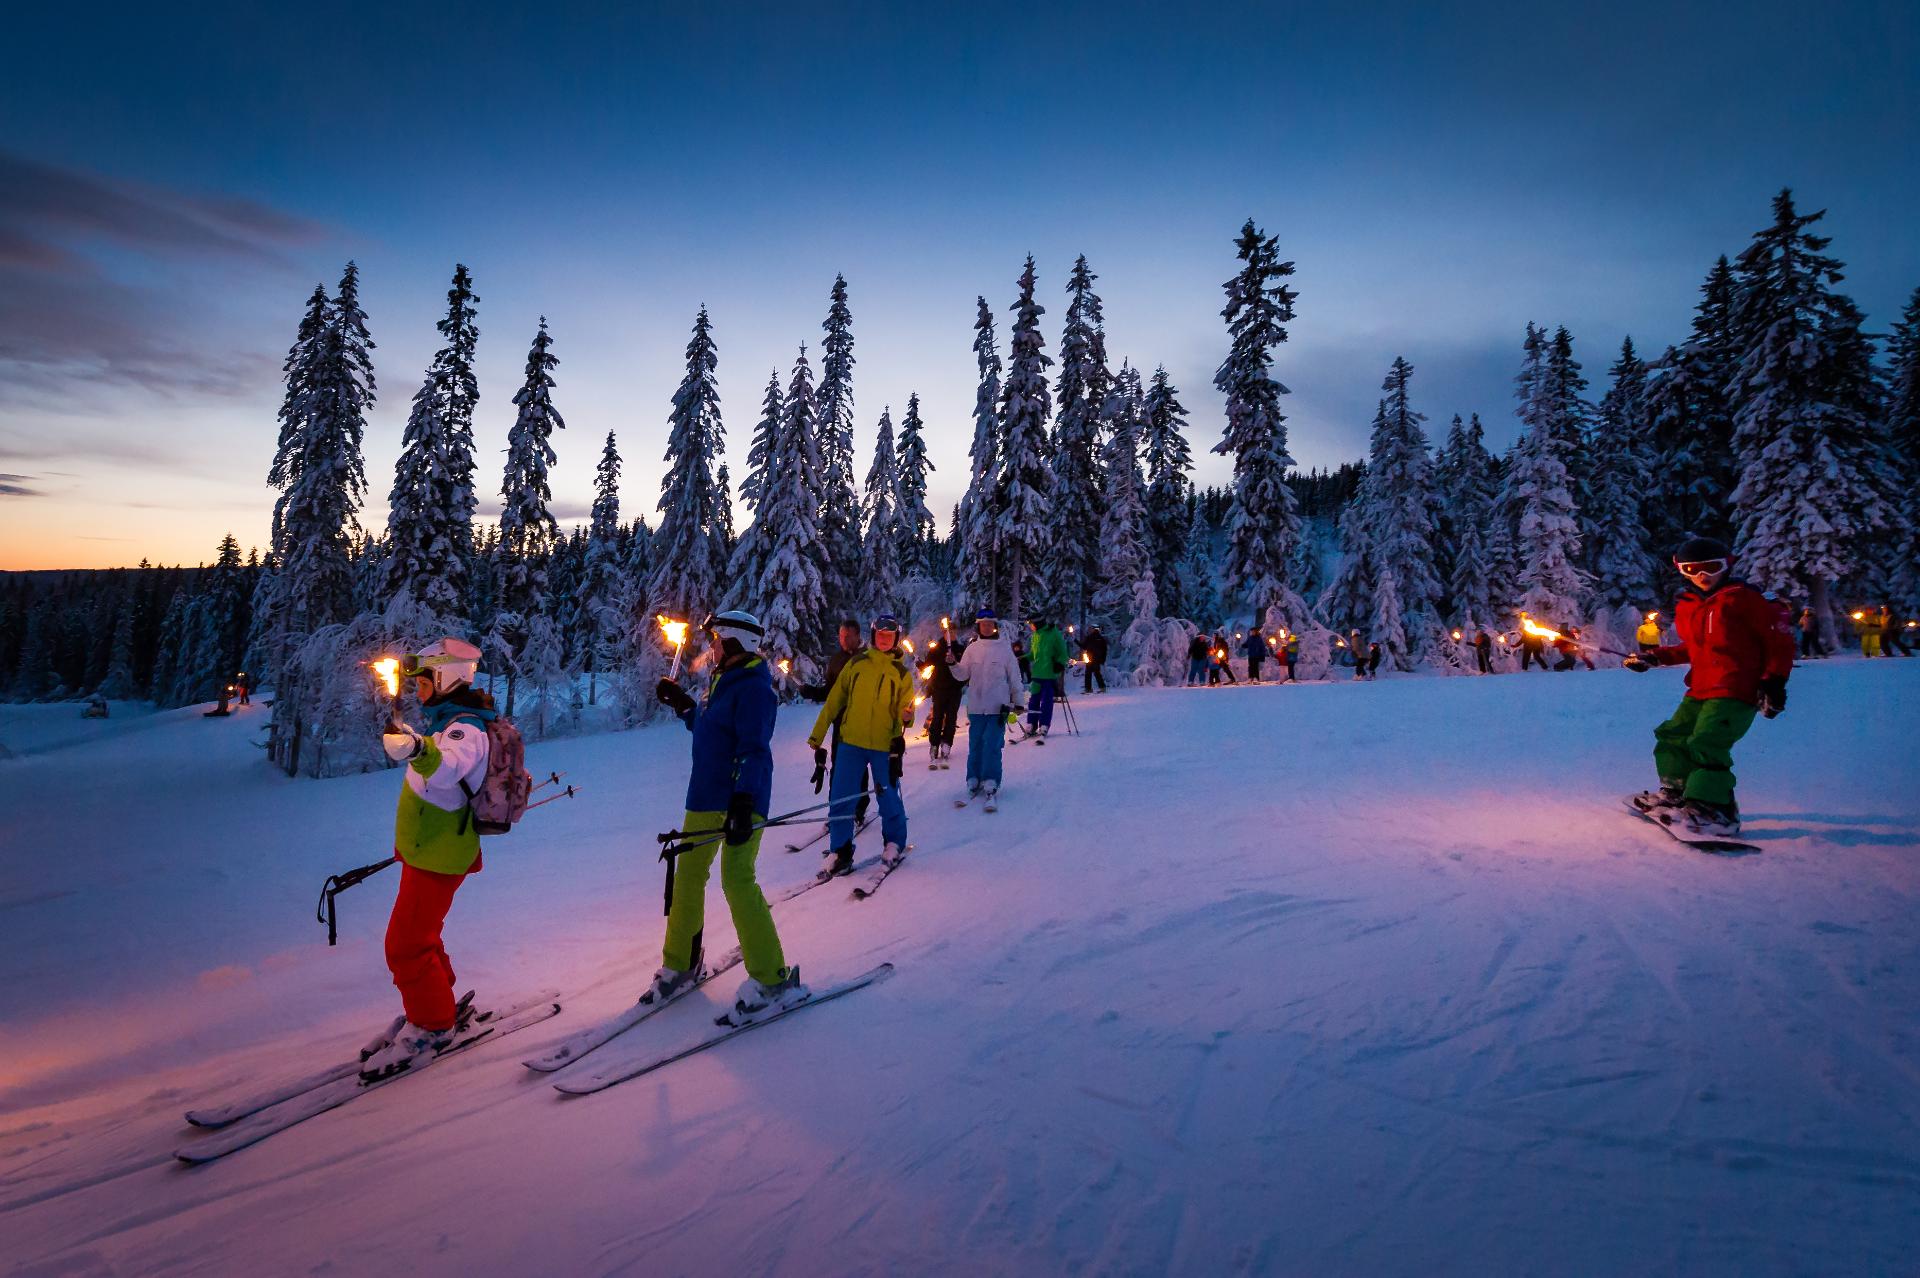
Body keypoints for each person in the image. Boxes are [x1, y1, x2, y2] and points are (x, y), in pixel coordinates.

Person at [650, 612, 805, 1021]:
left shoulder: (754, 688)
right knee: (687, 877)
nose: (712, 647)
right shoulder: (722, 681)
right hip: (704, 796)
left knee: (736, 879)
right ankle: (681, 964)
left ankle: (772, 979)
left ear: (735, 642)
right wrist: (683, 704)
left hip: (740, 799)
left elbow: (754, 748)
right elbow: (710, 732)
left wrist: (743, 801)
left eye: (717, 640)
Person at [362, 637, 495, 1079]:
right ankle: (437, 1003)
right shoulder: (448, 722)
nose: (419, 694)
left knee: (405, 946)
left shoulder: (465, 729)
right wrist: (417, 742)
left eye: (424, 685)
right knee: (423, 937)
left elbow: (448, 769)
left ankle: (433, 1026)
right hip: (427, 852)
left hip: (439, 855)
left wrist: (419, 749)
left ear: (447, 679)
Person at [1625, 536, 1794, 838]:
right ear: (1682, 570)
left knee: (1707, 742)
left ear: (1727, 565)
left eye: (1711, 567)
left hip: (1736, 688)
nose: (1702, 575)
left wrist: (1774, 682)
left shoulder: (1745, 599)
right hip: (1701, 687)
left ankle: (1715, 808)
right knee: (1673, 734)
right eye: (1692, 569)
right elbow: (1694, 647)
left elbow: (1778, 644)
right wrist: (1655, 657)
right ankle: (1677, 792)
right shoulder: (1690, 605)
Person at [808, 614, 913, 877]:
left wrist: (907, 717)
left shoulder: (901, 674)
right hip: (850, 743)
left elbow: (906, 709)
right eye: (880, 635)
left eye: (889, 636)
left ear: (896, 639)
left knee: (888, 796)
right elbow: (834, 700)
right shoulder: (856, 664)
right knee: (841, 797)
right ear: (874, 636)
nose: (884, 640)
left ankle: (893, 843)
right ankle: (840, 851)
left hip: (883, 746)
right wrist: (817, 735)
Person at [949, 608, 1026, 803]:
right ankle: (973, 778)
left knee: (992, 745)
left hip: (997, 707)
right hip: (976, 707)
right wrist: (952, 665)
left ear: (994, 626)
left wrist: (1018, 701)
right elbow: (962, 675)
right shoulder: (972, 649)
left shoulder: (1004, 649)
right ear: (978, 626)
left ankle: (991, 779)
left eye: (990, 624)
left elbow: (1015, 677)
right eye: (983, 624)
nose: (986, 627)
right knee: (975, 744)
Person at [801, 620, 871, 824]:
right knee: (838, 767)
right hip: (840, 723)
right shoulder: (836, 660)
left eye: (847, 636)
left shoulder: (867, 658)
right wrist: (812, 692)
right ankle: (837, 810)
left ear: (857, 636)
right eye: (841, 636)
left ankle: (859, 809)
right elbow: (830, 692)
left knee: (858, 768)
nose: (843, 640)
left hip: (862, 722)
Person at [923, 625, 967, 768]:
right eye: (948, 632)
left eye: (953, 632)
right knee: (937, 718)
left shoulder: (960, 649)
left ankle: (947, 744)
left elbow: (966, 669)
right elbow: (927, 664)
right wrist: (921, 664)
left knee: (951, 718)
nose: (950, 634)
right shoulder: (937, 648)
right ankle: (934, 745)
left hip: (954, 690)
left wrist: (962, 683)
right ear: (943, 633)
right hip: (939, 689)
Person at [1025, 617, 1070, 738]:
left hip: (1049, 675)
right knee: (1033, 701)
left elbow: (1063, 652)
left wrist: (1060, 663)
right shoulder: (1035, 635)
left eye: (1031, 624)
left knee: (1046, 701)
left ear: (1038, 623)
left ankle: (1044, 725)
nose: (1030, 627)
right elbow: (1034, 654)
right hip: (1037, 674)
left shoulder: (1053, 633)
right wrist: (1023, 658)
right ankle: (1031, 724)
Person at [1081, 624, 1109, 694]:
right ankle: (1102, 688)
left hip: (1091, 659)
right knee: (1096, 673)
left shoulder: (1090, 638)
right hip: (1096, 659)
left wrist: (1075, 640)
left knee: (1089, 673)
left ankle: (1088, 689)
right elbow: (1105, 650)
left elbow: (1083, 646)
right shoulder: (1101, 639)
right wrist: (1103, 659)